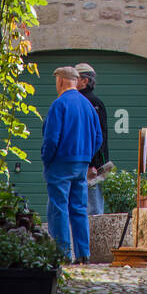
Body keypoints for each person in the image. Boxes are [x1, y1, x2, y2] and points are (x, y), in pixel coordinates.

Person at [41, 65, 102, 264]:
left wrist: (46, 158)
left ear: (60, 81)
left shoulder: (59, 104)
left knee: (58, 207)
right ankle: (83, 253)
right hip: (81, 164)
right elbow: (98, 137)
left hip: (60, 163)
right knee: (78, 207)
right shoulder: (87, 105)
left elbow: (51, 139)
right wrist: (86, 155)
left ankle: (63, 253)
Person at [75, 62, 110, 217]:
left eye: (77, 78)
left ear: (85, 81)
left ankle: (95, 240)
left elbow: (99, 136)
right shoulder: (76, 100)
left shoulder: (94, 103)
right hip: (81, 162)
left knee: (93, 207)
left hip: (91, 166)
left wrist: (94, 164)